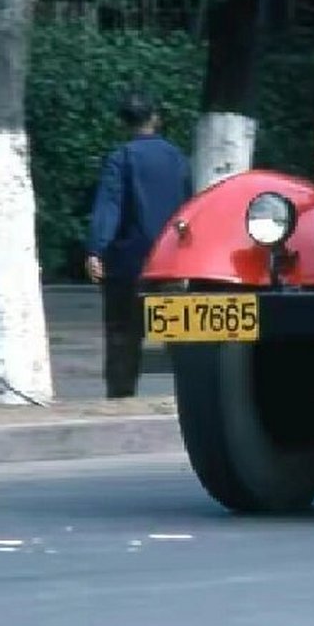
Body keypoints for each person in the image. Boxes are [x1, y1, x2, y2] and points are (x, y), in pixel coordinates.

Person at [85, 91, 192, 398]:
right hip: (171, 263)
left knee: (123, 334)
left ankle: (120, 397)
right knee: (178, 335)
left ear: (123, 123)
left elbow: (110, 206)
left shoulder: (121, 158)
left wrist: (97, 249)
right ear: (155, 118)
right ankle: (189, 395)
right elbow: (190, 207)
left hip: (128, 264)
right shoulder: (177, 158)